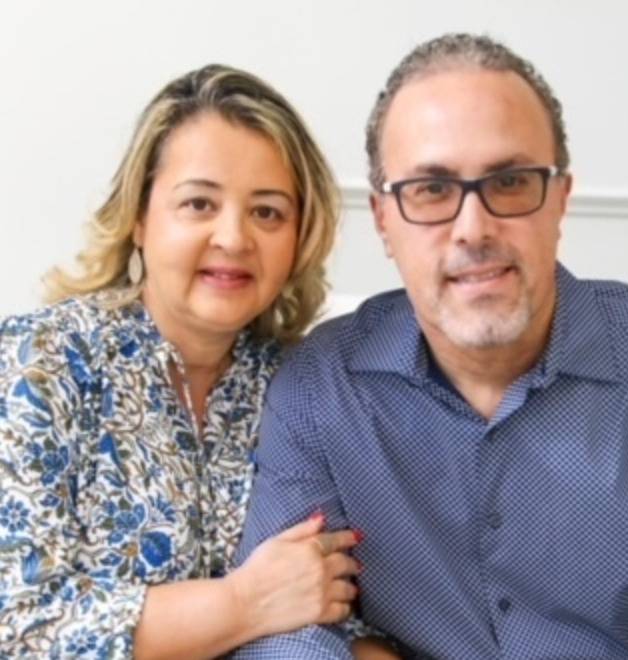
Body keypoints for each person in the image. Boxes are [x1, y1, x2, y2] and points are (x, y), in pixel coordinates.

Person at [233, 33, 628, 659]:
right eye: (432, 190)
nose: (473, 228)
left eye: (511, 181)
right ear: (384, 220)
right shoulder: (320, 391)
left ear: (560, 201)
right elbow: (289, 630)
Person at [0, 64, 373, 659]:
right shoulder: (40, 364)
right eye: (199, 203)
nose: (234, 238)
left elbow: (336, 602)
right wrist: (242, 604)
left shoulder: (301, 384)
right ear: (139, 217)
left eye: (268, 212)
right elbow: (19, 627)